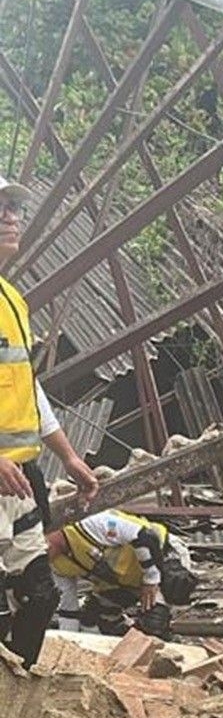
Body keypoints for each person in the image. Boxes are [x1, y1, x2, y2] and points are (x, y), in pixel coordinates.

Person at [0, 174, 99, 667]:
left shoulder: (10, 300)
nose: (9, 217)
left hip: (21, 481)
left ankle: (16, 702)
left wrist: (70, 456)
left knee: (40, 596)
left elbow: (27, 386)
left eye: (13, 208)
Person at [47, 510, 197, 639]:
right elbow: (68, 608)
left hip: (163, 558)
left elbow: (145, 537)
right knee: (93, 622)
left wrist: (151, 580)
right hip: (123, 581)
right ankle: (125, 642)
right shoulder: (56, 565)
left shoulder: (90, 523)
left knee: (154, 624)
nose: (44, 550)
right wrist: (69, 641)